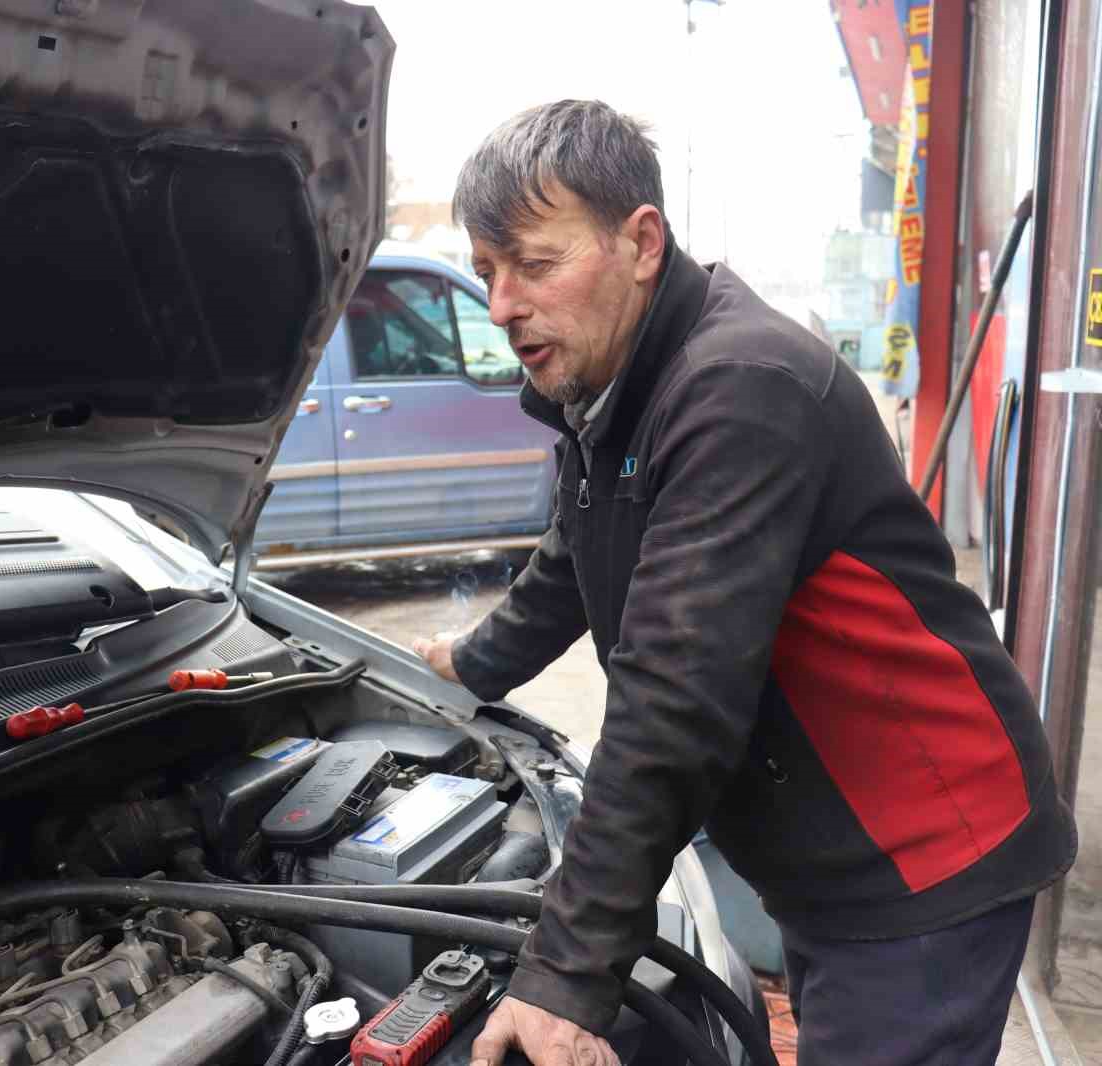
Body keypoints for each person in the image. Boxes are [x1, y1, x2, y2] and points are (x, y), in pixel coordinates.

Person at [410, 100, 1077, 1066]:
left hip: (924, 852)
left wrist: (566, 975)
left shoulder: (740, 388)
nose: (504, 305)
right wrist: (466, 664)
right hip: (822, 850)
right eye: (486, 273)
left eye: (538, 264)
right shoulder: (613, 391)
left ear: (642, 242)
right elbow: (571, 561)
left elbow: (673, 696)